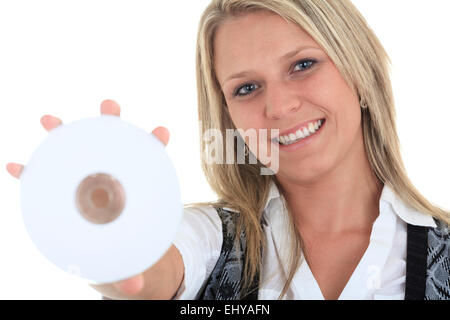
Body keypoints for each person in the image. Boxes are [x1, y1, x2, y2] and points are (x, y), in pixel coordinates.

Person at [7, 0, 450, 300]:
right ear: (229, 118)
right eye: (247, 87)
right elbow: (149, 276)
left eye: (303, 64)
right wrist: (105, 228)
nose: (278, 107)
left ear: (360, 73)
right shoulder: (211, 239)